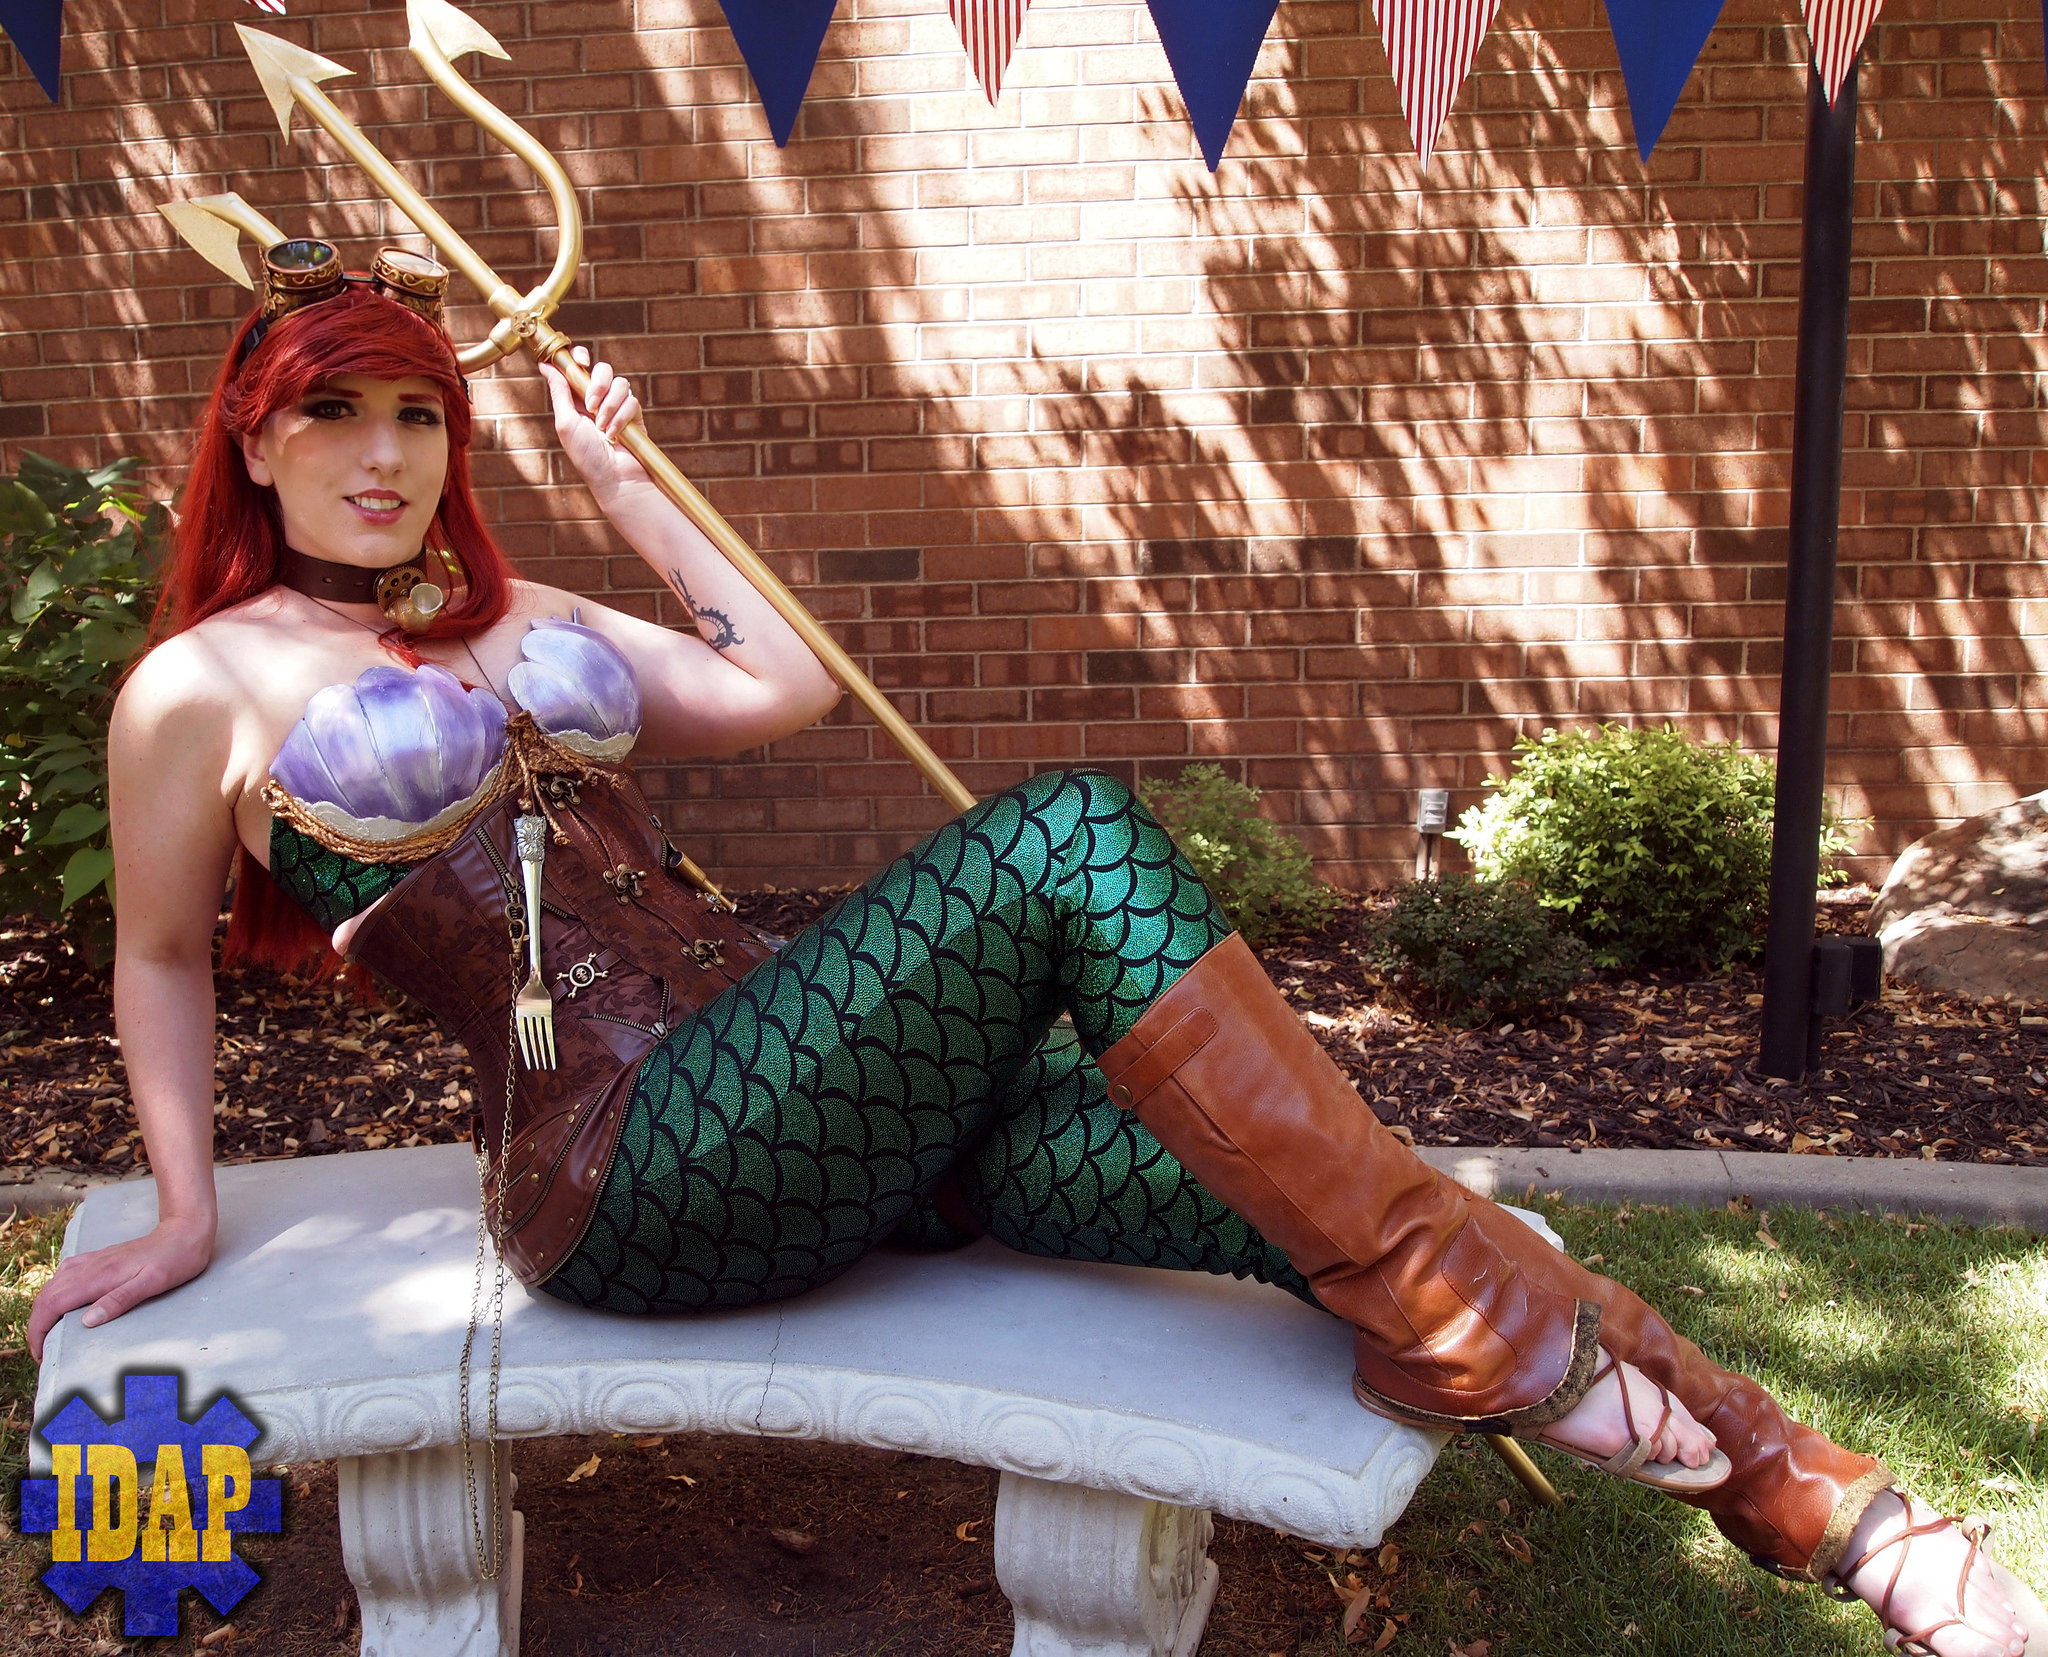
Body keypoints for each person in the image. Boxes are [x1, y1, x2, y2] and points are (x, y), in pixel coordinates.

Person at [25, 243, 2036, 1657]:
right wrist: (186, 1205)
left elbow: (778, 681)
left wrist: (629, 488)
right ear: (255, 440)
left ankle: (1827, 1507)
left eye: (417, 412)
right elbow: (161, 958)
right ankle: (1535, 1358)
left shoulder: (510, 607)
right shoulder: (198, 689)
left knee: (1322, 1192)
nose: (383, 453)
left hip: (823, 1106)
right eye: (333, 414)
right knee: (1071, 837)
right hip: (635, 1165)